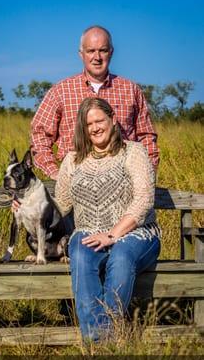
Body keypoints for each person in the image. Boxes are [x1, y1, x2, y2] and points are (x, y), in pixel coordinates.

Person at [55, 97, 161, 342]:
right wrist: (27, 207)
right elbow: (59, 207)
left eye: (99, 120)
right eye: (88, 123)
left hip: (137, 233)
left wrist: (113, 234)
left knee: (121, 255)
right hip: (89, 230)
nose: (95, 127)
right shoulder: (72, 161)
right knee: (80, 253)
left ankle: (104, 336)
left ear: (113, 120)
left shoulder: (133, 152)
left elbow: (144, 199)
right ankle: (100, 342)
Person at [31, 25, 159, 180]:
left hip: (122, 181)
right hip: (74, 180)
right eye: (91, 51)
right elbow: (39, 135)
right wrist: (54, 172)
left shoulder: (131, 90)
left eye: (103, 50)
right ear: (81, 54)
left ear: (111, 53)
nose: (97, 57)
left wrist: (147, 174)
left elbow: (147, 138)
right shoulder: (61, 91)